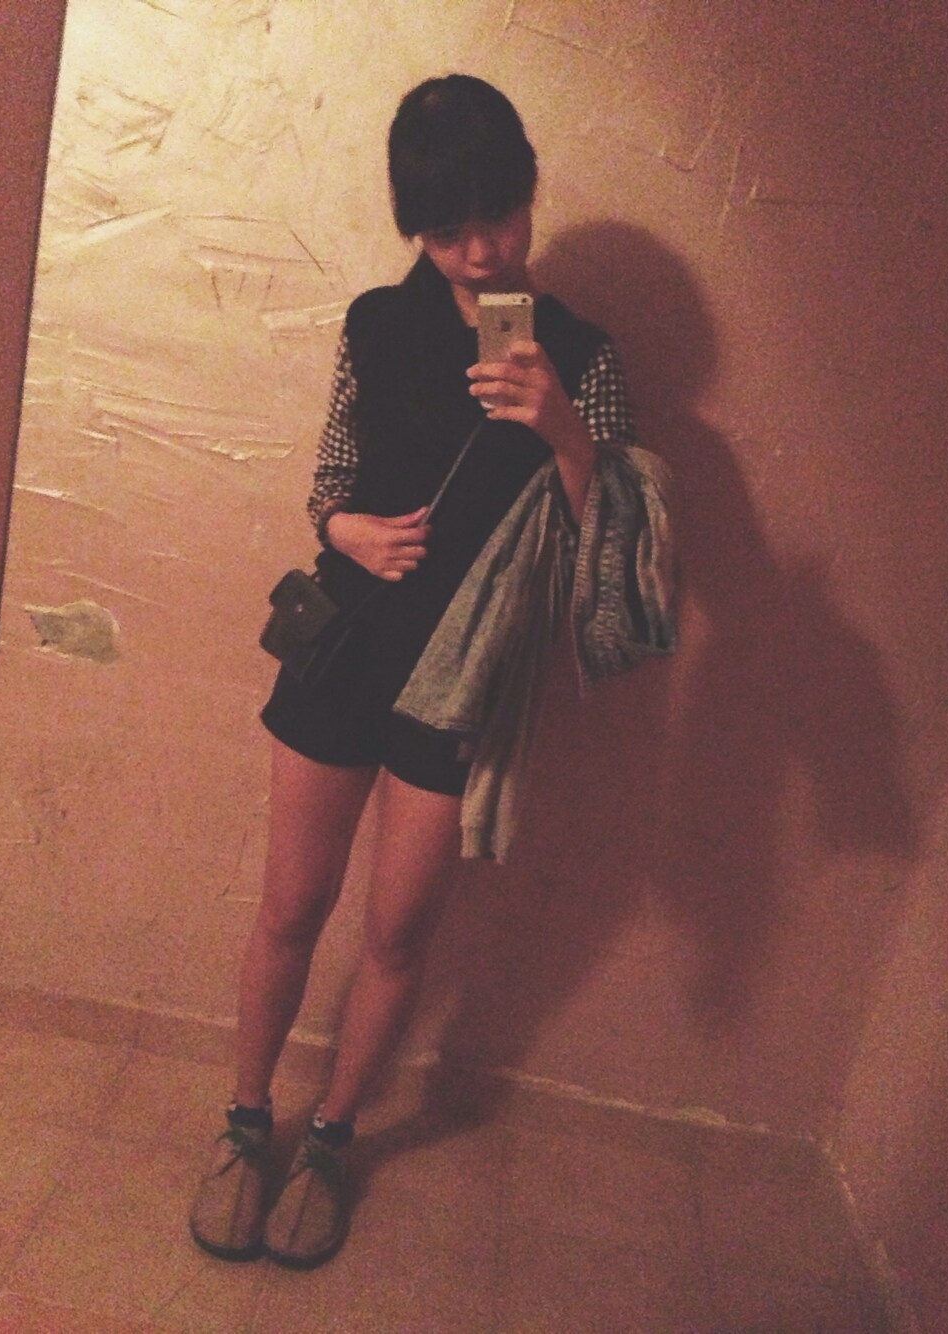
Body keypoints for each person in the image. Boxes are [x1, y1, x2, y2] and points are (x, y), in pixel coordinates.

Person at [189, 73, 642, 1269]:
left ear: (529, 193)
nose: (479, 251)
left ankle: (331, 1137)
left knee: (397, 931)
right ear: (415, 227)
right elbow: (328, 478)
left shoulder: (579, 353)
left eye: (498, 217)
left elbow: (610, 558)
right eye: (447, 231)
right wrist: (346, 531)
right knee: (291, 904)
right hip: (346, 644)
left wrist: (562, 425)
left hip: (465, 673)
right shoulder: (377, 324)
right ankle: (245, 1122)